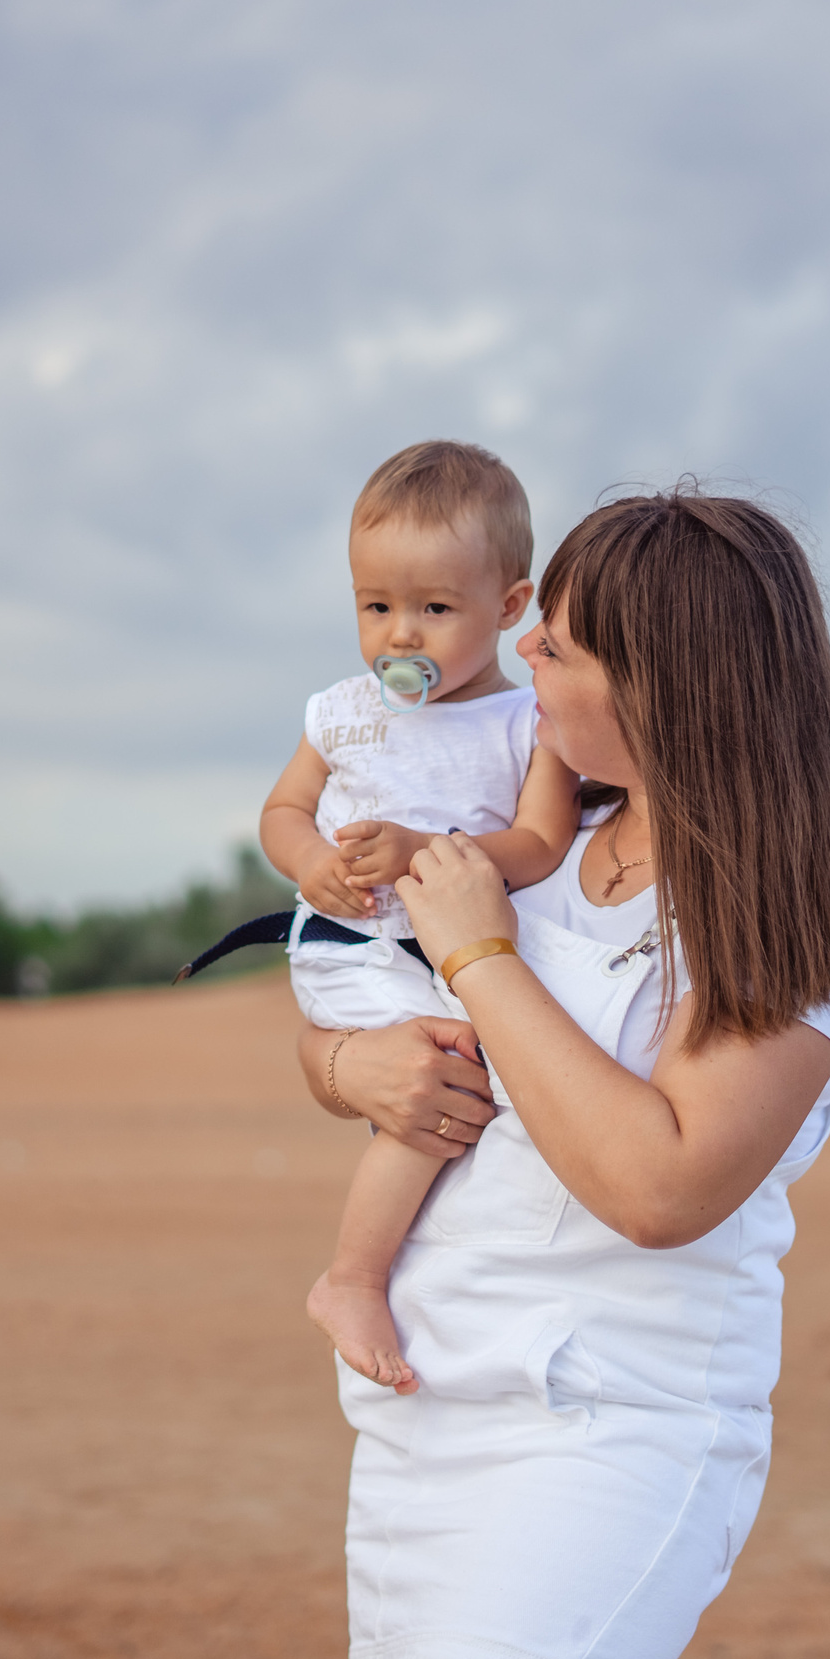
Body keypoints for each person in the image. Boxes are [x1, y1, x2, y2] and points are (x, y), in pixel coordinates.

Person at [297, 488, 830, 1659]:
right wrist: (341, 1069)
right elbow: (368, 1025)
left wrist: (481, 954)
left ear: (659, 683)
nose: (519, 648)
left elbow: (661, 1185)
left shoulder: (787, 905)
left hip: (614, 1416)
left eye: (558, 644)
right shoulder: (539, 843)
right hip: (431, 1395)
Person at [256, 440, 580, 1395]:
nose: (401, 635)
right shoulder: (343, 712)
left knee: (450, 1089)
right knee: (443, 1089)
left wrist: (428, 852)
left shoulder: (525, 723)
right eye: (376, 606)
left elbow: (540, 845)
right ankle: (352, 1278)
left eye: (435, 609)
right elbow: (282, 812)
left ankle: (390, 1270)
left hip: (438, 945)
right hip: (354, 942)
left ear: (510, 607)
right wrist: (312, 859)